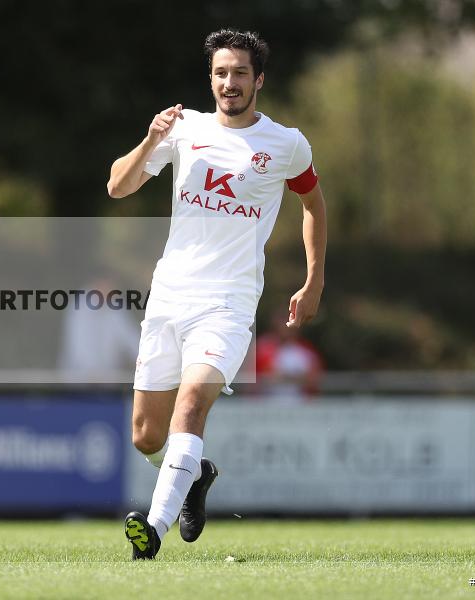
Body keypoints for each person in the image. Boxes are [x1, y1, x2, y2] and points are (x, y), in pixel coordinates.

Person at [106, 29, 327, 559]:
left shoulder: (286, 144)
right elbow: (117, 186)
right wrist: (150, 138)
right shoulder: (182, 129)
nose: (230, 82)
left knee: (191, 402)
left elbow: (314, 206)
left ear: (259, 80)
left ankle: (152, 531)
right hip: (169, 297)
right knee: (145, 435)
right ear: (211, 78)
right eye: (221, 73)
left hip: (228, 304)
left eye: (240, 73)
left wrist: (314, 278)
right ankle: (194, 476)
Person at [255, 314, 324, 404]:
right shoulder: (263, 347)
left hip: (300, 404)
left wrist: (289, 378)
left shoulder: (306, 351)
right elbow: (256, 377)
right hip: (269, 404)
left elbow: (316, 378)